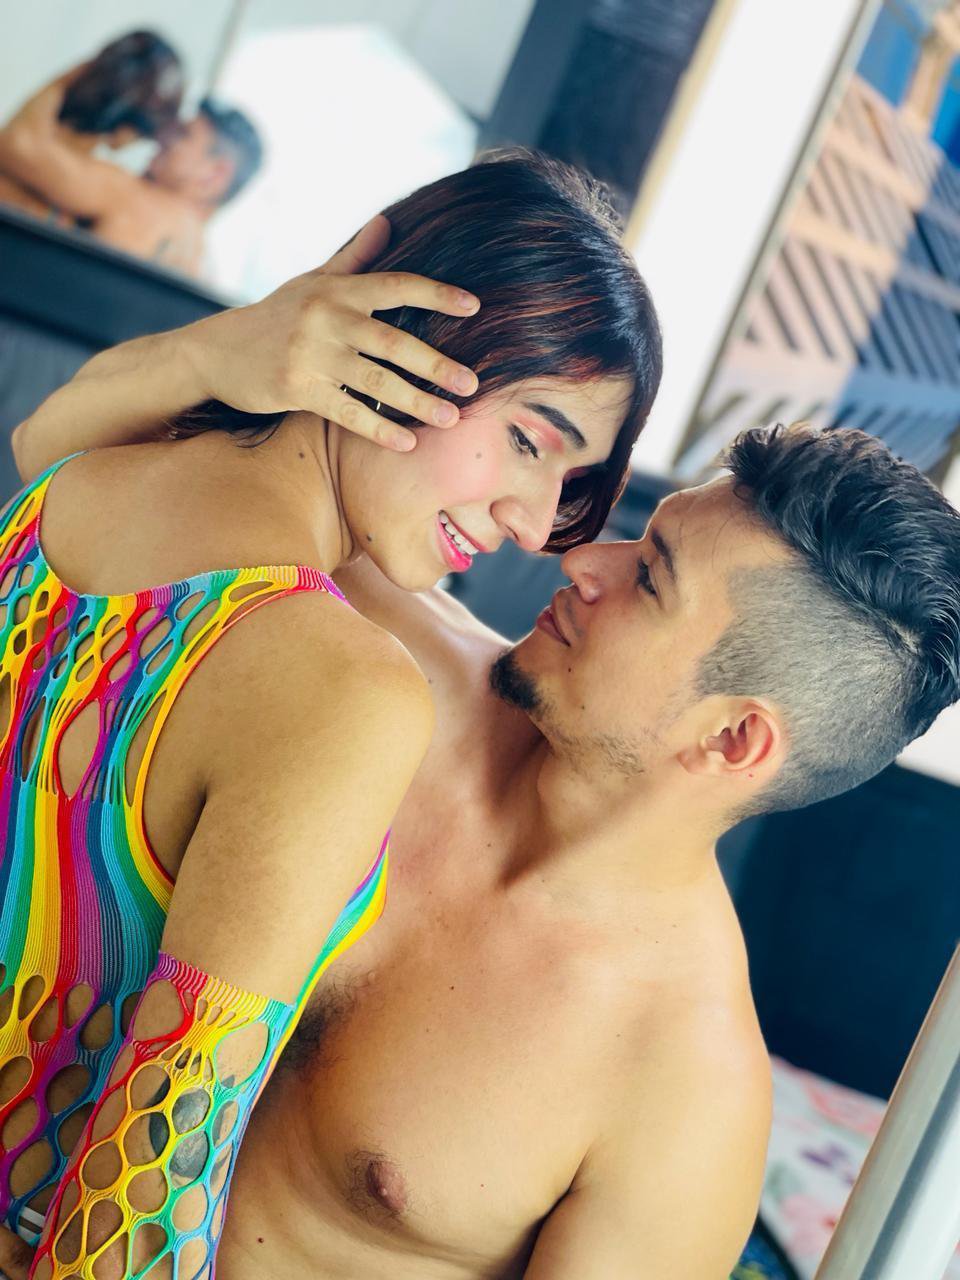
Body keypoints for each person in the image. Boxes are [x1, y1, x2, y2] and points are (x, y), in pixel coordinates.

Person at [5, 228, 960, 1279]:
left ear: (733, 739)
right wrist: (216, 350)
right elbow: (63, 463)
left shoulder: (679, 1092)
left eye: (649, 578)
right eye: (639, 535)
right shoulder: (370, 654)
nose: (581, 557)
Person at [0, 153, 662, 1280]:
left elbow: (44, 436)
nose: (530, 521)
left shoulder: (79, 475)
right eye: (529, 439)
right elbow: (139, 1191)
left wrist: (215, 350)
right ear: (391, 335)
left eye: (566, 482)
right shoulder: (343, 690)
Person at [0, 79, 259, 275]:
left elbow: (17, 144)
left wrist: (80, 73)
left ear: (215, 174)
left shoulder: (137, 199)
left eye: (182, 135)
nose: (162, 137)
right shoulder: (202, 268)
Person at [0, 32, 184, 229]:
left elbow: (19, 142)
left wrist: (85, 72)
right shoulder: (110, 185)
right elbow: (19, 143)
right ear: (128, 131)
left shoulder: (26, 146)